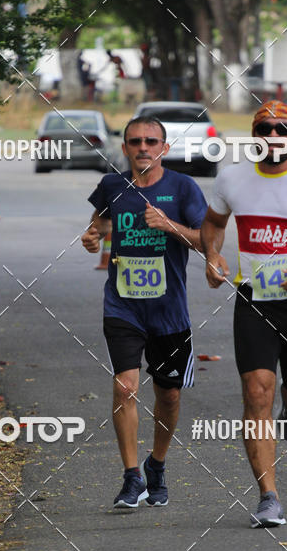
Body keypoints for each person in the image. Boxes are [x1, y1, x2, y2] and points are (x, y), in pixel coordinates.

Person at [201, 100, 287, 528]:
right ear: (253, 135)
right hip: (255, 300)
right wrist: (211, 254)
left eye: (282, 129)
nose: (272, 137)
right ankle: (268, 496)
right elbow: (213, 223)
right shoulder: (232, 178)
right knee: (257, 391)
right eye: (264, 129)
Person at [81, 117, 207, 508]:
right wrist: (91, 236)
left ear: (164, 148)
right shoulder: (112, 186)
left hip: (169, 312)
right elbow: (98, 224)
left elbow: (207, 241)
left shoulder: (183, 187)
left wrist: (169, 225)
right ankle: (132, 477)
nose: (143, 148)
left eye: (151, 141)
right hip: (123, 305)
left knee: (167, 395)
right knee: (126, 386)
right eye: (135, 141)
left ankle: (157, 465)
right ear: (125, 147)